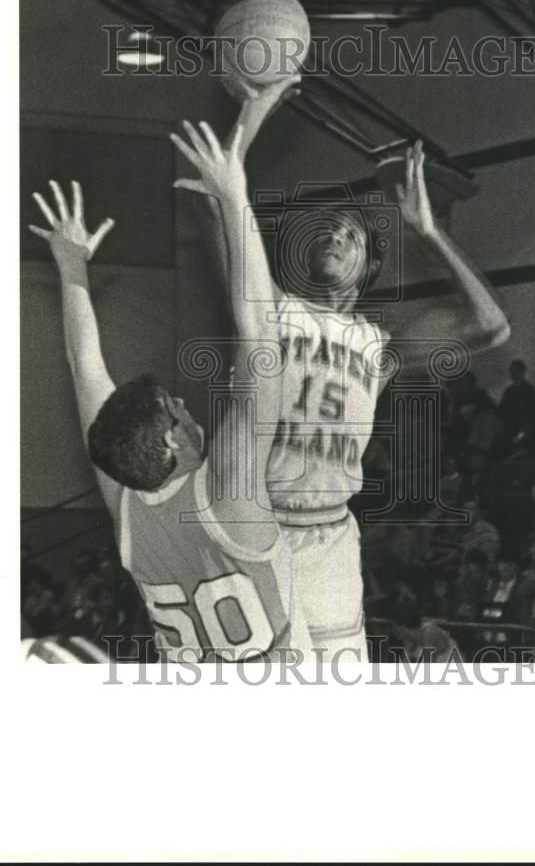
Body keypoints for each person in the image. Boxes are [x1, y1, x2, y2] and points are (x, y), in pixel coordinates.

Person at [197, 78, 511, 660]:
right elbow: (221, 216)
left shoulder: (378, 345)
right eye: (332, 229)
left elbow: (492, 327)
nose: (337, 235)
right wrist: (249, 118)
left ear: (366, 267)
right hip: (263, 528)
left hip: (333, 537)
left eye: (352, 236)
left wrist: (430, 231)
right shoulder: (275, 311)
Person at [28, 126, 312, 663]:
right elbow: (259, 331)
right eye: (175, 409)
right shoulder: (229, 491)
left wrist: (70, 268)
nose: (184, 405)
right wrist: (234, 195)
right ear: (176, 441)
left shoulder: (126, 505)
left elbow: (83, 366)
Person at [499, 359, 535, 446]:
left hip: (524, 426)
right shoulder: (508, 391)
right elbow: (501, 410)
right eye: (513, 371)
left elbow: (531, 413)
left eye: (517, 371)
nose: (515, 374)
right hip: (509, 426)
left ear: (523, 372)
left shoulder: (529, 389)